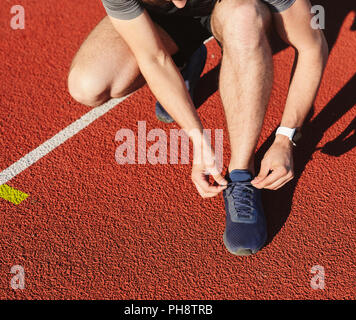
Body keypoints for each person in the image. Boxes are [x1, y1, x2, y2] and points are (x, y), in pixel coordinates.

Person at [67, 0, 328, 256]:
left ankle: (241, 175)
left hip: (235, 9)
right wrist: (198, 139)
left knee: (245, 18)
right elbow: (153, 58)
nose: (180, 3)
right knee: (88, 85)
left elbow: (312, 46)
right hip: (163, 22)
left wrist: (285, 137)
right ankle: (184, 61)